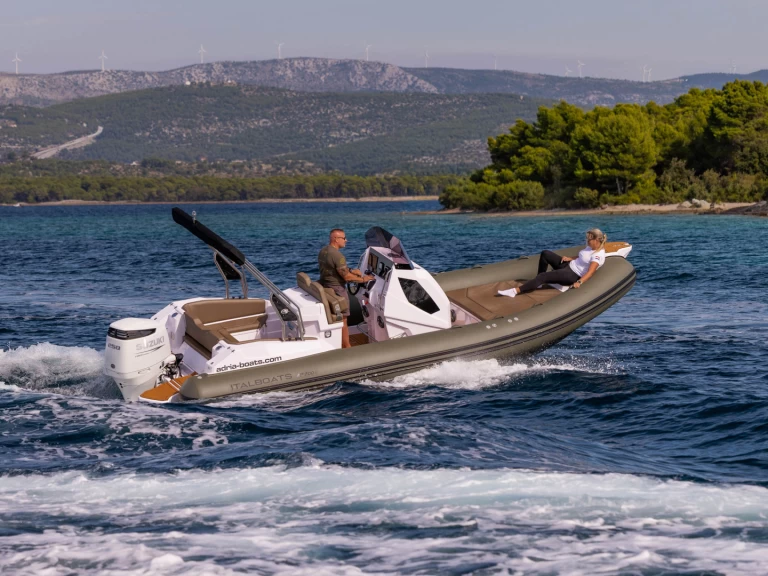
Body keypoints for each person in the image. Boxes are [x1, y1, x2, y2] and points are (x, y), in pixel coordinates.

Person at [499, 228, 608, 298]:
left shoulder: (598, 255)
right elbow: (583, 257)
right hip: (568, 265)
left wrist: (579, 282)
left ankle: (515, 291)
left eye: (589, 239)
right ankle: (538, 283)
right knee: (545, 253)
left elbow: (590, 272)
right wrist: (570, 258)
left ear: (596, 240)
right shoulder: (590, 247)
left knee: (543, 276)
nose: (587, 241)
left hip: (572, 274)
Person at [318, 228, 374, 348]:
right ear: (336, 239)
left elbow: (334, 269)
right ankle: (347, 346)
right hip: (337, 288)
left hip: (326, 284)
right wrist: (364, 279)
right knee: (343, 319)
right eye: (344, 238)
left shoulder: (324, 251)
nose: (346, 240)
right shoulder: (338, 255)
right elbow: (347, 277)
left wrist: (352, 270)